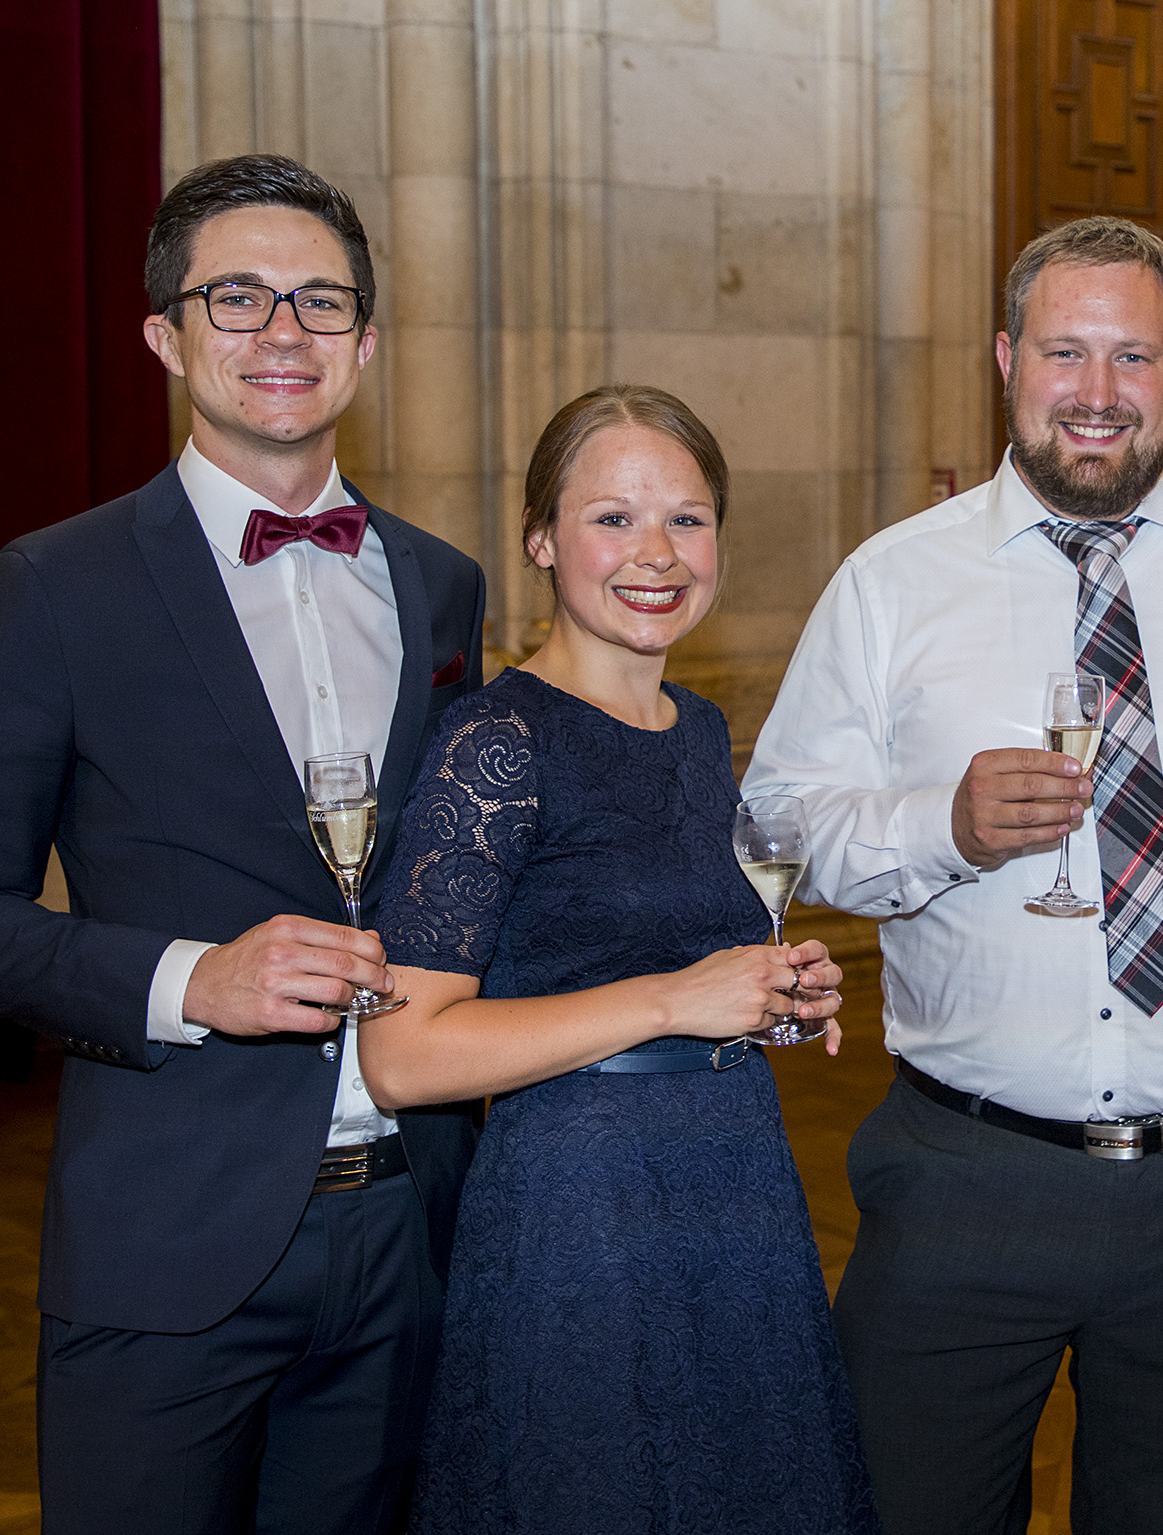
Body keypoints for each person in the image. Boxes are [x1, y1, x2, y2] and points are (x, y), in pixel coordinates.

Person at [742, 215, 1163, 1533]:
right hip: (961, 1177)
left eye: (1132, 355)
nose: (1096, 390)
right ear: (1004, 359)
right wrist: (944, 825)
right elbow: (780, 819)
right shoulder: (889, 584)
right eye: (1063, 351)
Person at [0, 154, 486, 1534]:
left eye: (320, 300)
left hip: (411, 1226)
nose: (283, 329)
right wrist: (188, 980)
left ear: (366, 341)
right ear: (164, 335)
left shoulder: (440, 582)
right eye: (237, 296)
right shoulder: (54, 585)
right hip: (166, 1235)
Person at [355, 383, 877, 1534]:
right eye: (612, 518)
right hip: (579, 1213)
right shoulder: (497, 741)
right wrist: (673, 998)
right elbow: (401, 1053)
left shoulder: (696, 729)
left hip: (735, 1192)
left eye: (687, 518)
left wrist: (765, 995)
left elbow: (663, 962)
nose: (656, 553)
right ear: (540, 539)